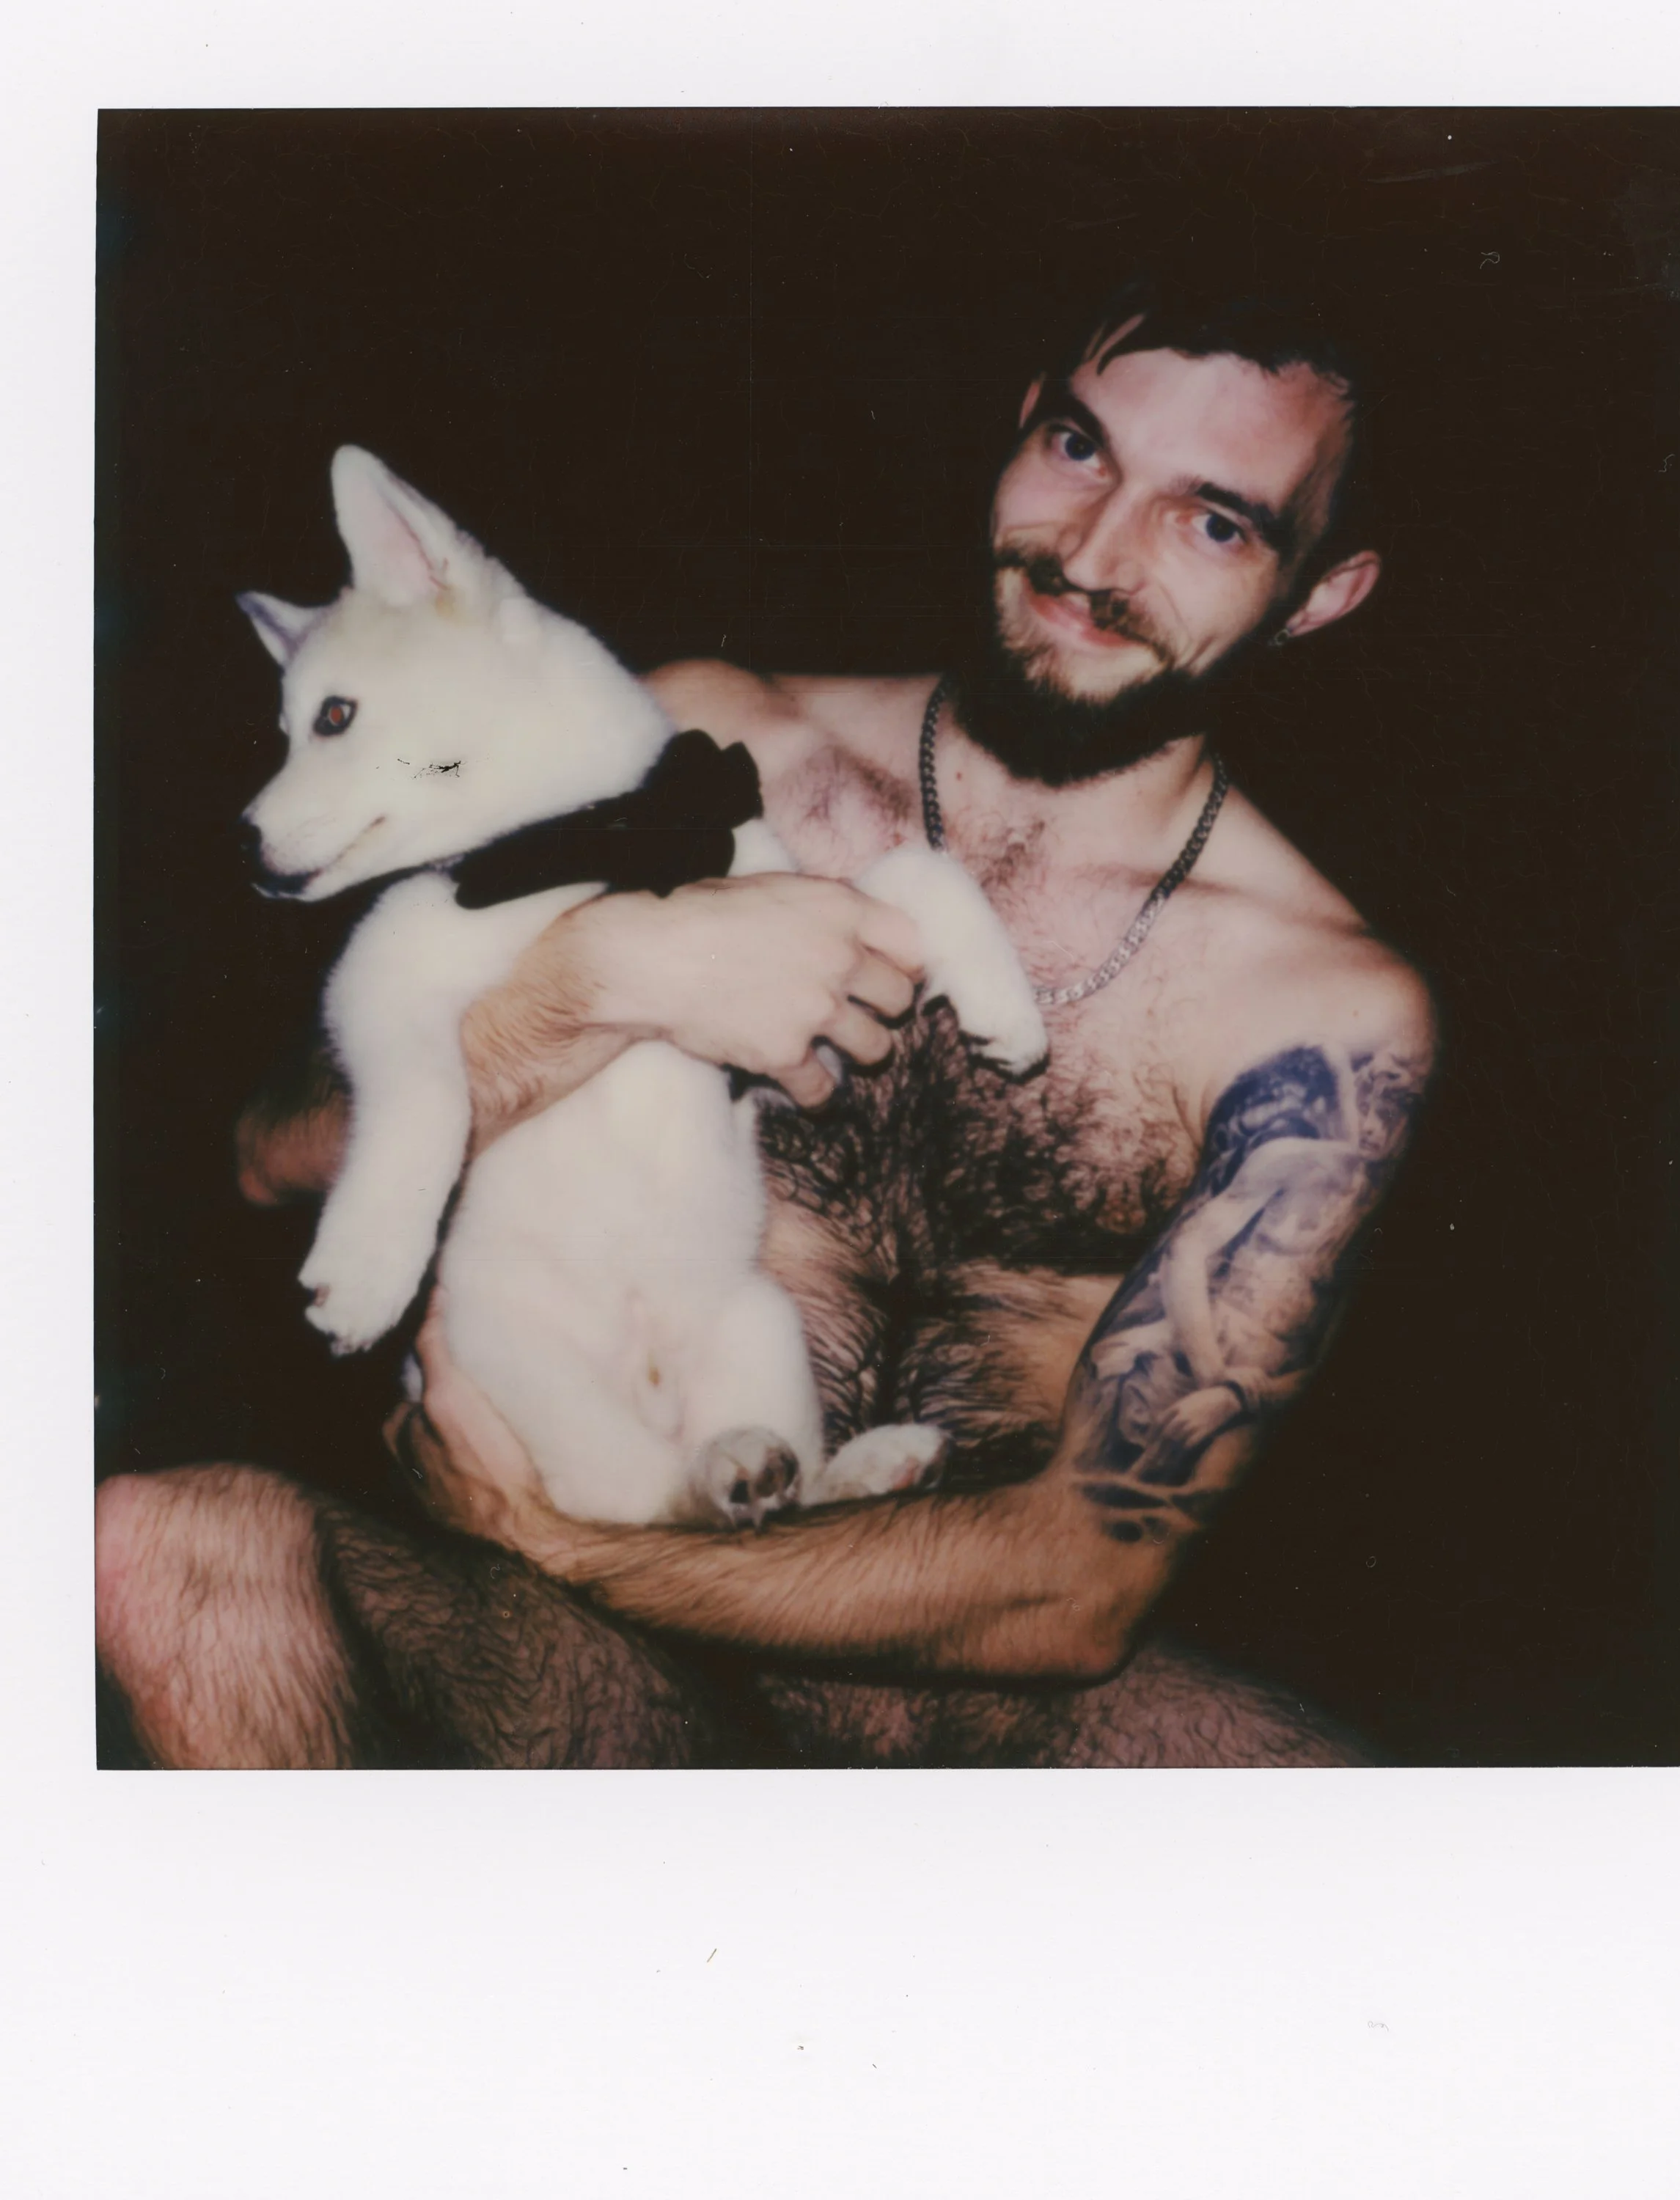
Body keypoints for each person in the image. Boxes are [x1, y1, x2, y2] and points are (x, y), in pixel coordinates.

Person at [95, 282, 1436, 1769]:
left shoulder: (1324, 1015)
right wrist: (591, 982)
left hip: (973, 1694)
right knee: (164, 1548)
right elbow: (275, 1155)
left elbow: (1083, 1582)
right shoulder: (698, 740)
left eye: (1216, 522)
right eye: (1078, 445)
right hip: (587, 1653)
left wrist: (566, 1545)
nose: (1093, 551)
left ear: (1322, 591)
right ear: (1019, 426)